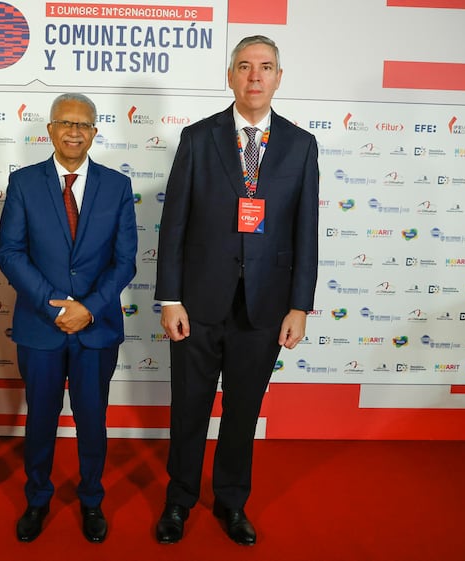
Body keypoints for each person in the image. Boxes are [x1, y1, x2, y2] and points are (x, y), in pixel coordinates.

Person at [154, 35, 319, 546]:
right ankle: (179, 500)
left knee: (242, 412)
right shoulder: (198, 138)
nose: (254, 76)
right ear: (230, 76)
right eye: (244, 66)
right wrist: (170, 298)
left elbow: (306, 231)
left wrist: (299, 305)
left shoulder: (300, 144)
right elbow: (173, 224)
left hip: (265, 308)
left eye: (265, 67)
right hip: (198, 304)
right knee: (189, 409)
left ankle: (231, 501)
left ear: (278, 78)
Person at [0, 93, 137, 543]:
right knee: (40, 417)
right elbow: (10, 252)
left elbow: (125, 261)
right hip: (42, 326)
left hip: (97, 328)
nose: (74, 132)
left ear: (94, 132)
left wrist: (89, 308)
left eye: (84, 124)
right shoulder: (24, 183)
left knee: (92, 419)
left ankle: (91, 499)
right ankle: (37, 498)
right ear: (50, 129)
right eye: (65, 122)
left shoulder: (116, 186)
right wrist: (54, 305)